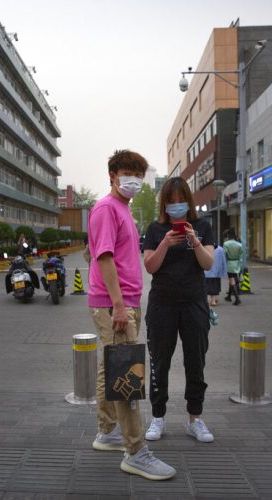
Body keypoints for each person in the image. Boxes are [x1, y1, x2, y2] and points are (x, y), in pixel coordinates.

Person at [88, 149, 175, 481]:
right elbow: (104, 258)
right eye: (127, 173)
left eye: (139, 175)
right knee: (127, 376)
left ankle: (108, 431)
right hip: (116, 304)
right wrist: (120, 305)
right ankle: (136, 452)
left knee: (110, 368)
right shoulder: (106, 209)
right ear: (112, 175)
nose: (134, 180)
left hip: (120, 302)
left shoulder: (122, 209)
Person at [142, 177, 215, 443]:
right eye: (170, 201)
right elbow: (150, 266)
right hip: (162, 303)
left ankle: (194, 418)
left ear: (188, 200)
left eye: (180, 200)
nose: (176, 205)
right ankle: (157, 417)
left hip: (194, 302)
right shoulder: (155, 229)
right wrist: (165, 243)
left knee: (196, 361)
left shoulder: (203, 226)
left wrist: (195, 242)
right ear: (164, 203)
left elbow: (208, 264)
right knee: (159, 362)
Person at [222, 229, 243, 305]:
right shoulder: (239, 244)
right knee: (233, 279)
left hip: (229, 264)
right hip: (237, 263)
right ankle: (229, 296)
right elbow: (241, 256)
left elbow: (225, 254)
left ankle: (237, 298)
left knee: (231, 280)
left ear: (228, 236)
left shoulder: (226, 244)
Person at [204, 242, 227, 306]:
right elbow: (223, 261)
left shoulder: (204, 248)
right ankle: (213, 300)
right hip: (216, 273)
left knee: (205, 287)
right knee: (214, 287)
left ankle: (206, 301)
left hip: (206, 272)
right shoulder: (220, 249)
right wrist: (223, 271)